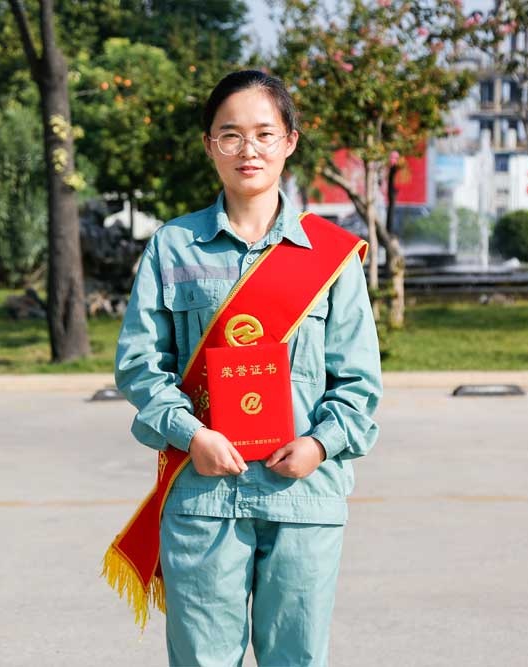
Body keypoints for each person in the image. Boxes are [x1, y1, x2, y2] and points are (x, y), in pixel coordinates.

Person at [112, 70, 382, 667]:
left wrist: (319, 444)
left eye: (264, 133)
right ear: (210, 145)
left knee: (297, 659)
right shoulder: (173, 246)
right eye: (230, 135)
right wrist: (192, 435)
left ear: (290, 141)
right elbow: (140, 365)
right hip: (204, 493)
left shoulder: (332, 256)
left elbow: (358, 382)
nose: (248, 150)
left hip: (304, 496)